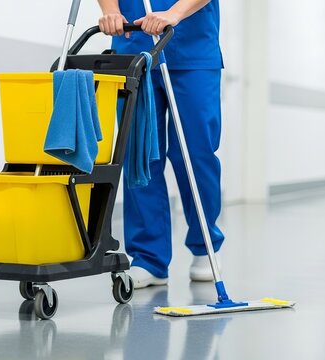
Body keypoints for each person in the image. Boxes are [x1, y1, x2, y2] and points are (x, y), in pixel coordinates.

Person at [96, 0, 225, 288]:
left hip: (193, 49)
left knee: (195, 153)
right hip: (133, 45)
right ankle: (148, 258)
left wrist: (174, 13)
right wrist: (110, 10)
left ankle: (206, 245)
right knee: (140, 156)